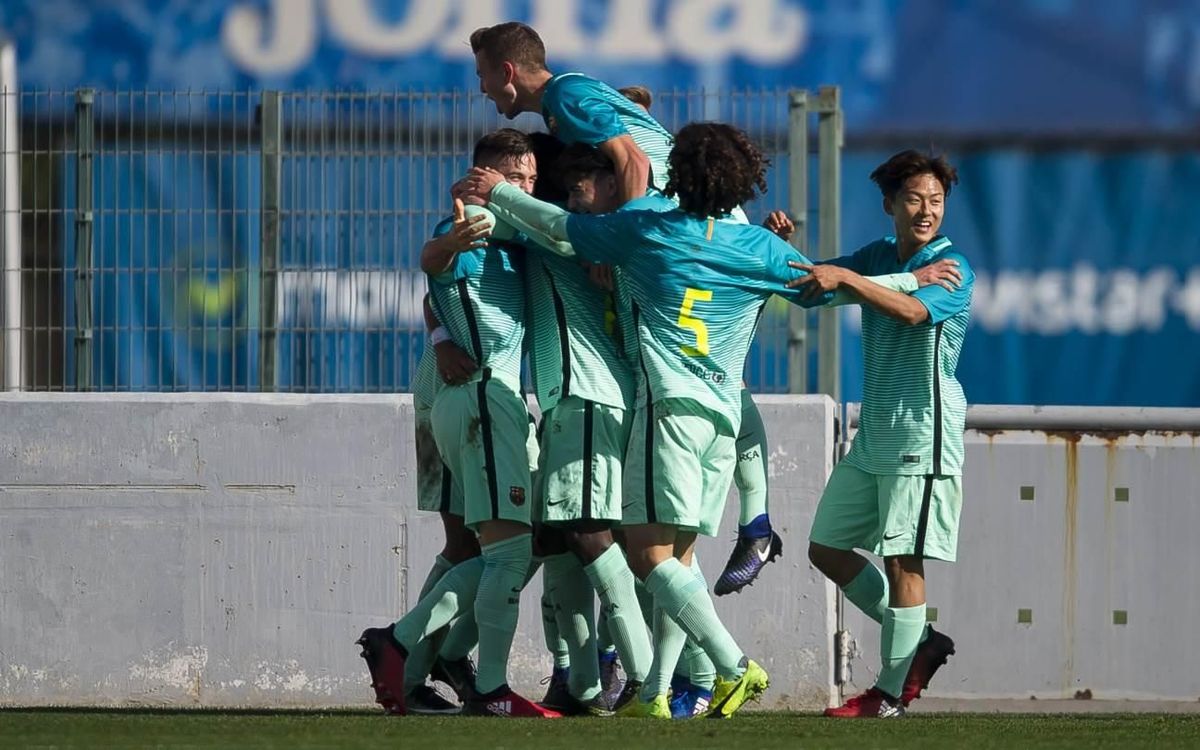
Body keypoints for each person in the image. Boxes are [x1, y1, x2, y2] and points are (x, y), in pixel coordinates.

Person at [461, 122, 926, 719]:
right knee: (675, 559)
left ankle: (733, 667)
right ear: (742, 181)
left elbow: (560, 226)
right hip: (724, 422)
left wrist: (499, 190)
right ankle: (660, 690)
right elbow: (828, 287)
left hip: (670, 413)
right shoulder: (758, 248)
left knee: (647, 555)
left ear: (679, 174)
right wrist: (910, 280)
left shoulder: (650, 230)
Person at [357, 129, 559, 718]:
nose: (523, 188)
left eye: (530, 180)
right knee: (503, 548)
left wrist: (441, 329)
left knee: (481, 543)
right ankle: (425, 656)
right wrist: (448, 251)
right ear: (482, 176)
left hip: (469, 399)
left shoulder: (514, 227)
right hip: (465, 399)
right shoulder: (480, 223)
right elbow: (435, 257)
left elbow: (439, 283)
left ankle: (418, 665)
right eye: (513, 177)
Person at [792, 149, 973, 719]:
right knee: (826, 546)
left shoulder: (953, 266)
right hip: (876, 431)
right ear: (889, 203)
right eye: (915, 199)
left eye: (936, 201)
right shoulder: (875, 256)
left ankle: (890, 694)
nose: (926, 212)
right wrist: (777, 244)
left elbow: (912, 313)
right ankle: (918, 643)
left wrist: (850, 278)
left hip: (923, 430)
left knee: (903, 561)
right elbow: (811, 288)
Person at [469, 21, 672, 204]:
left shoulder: (564, 94)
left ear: (507, 73)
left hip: (671, 205)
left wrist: (629, 232)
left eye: (482, 75)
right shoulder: (557, 106)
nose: (482, 88)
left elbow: (633, 158)